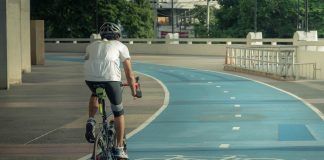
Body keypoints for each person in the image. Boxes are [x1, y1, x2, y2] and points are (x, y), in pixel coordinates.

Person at [84, 22, 136, 159]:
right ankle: (119, 148)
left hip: (90, 79)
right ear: (117, 36)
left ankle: (90, 120)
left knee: (95, 93)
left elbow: (89, 60)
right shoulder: (121, 46)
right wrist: (134, 91)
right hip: (111, 80)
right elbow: (129, 74)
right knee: (118, 112)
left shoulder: (91, 46)